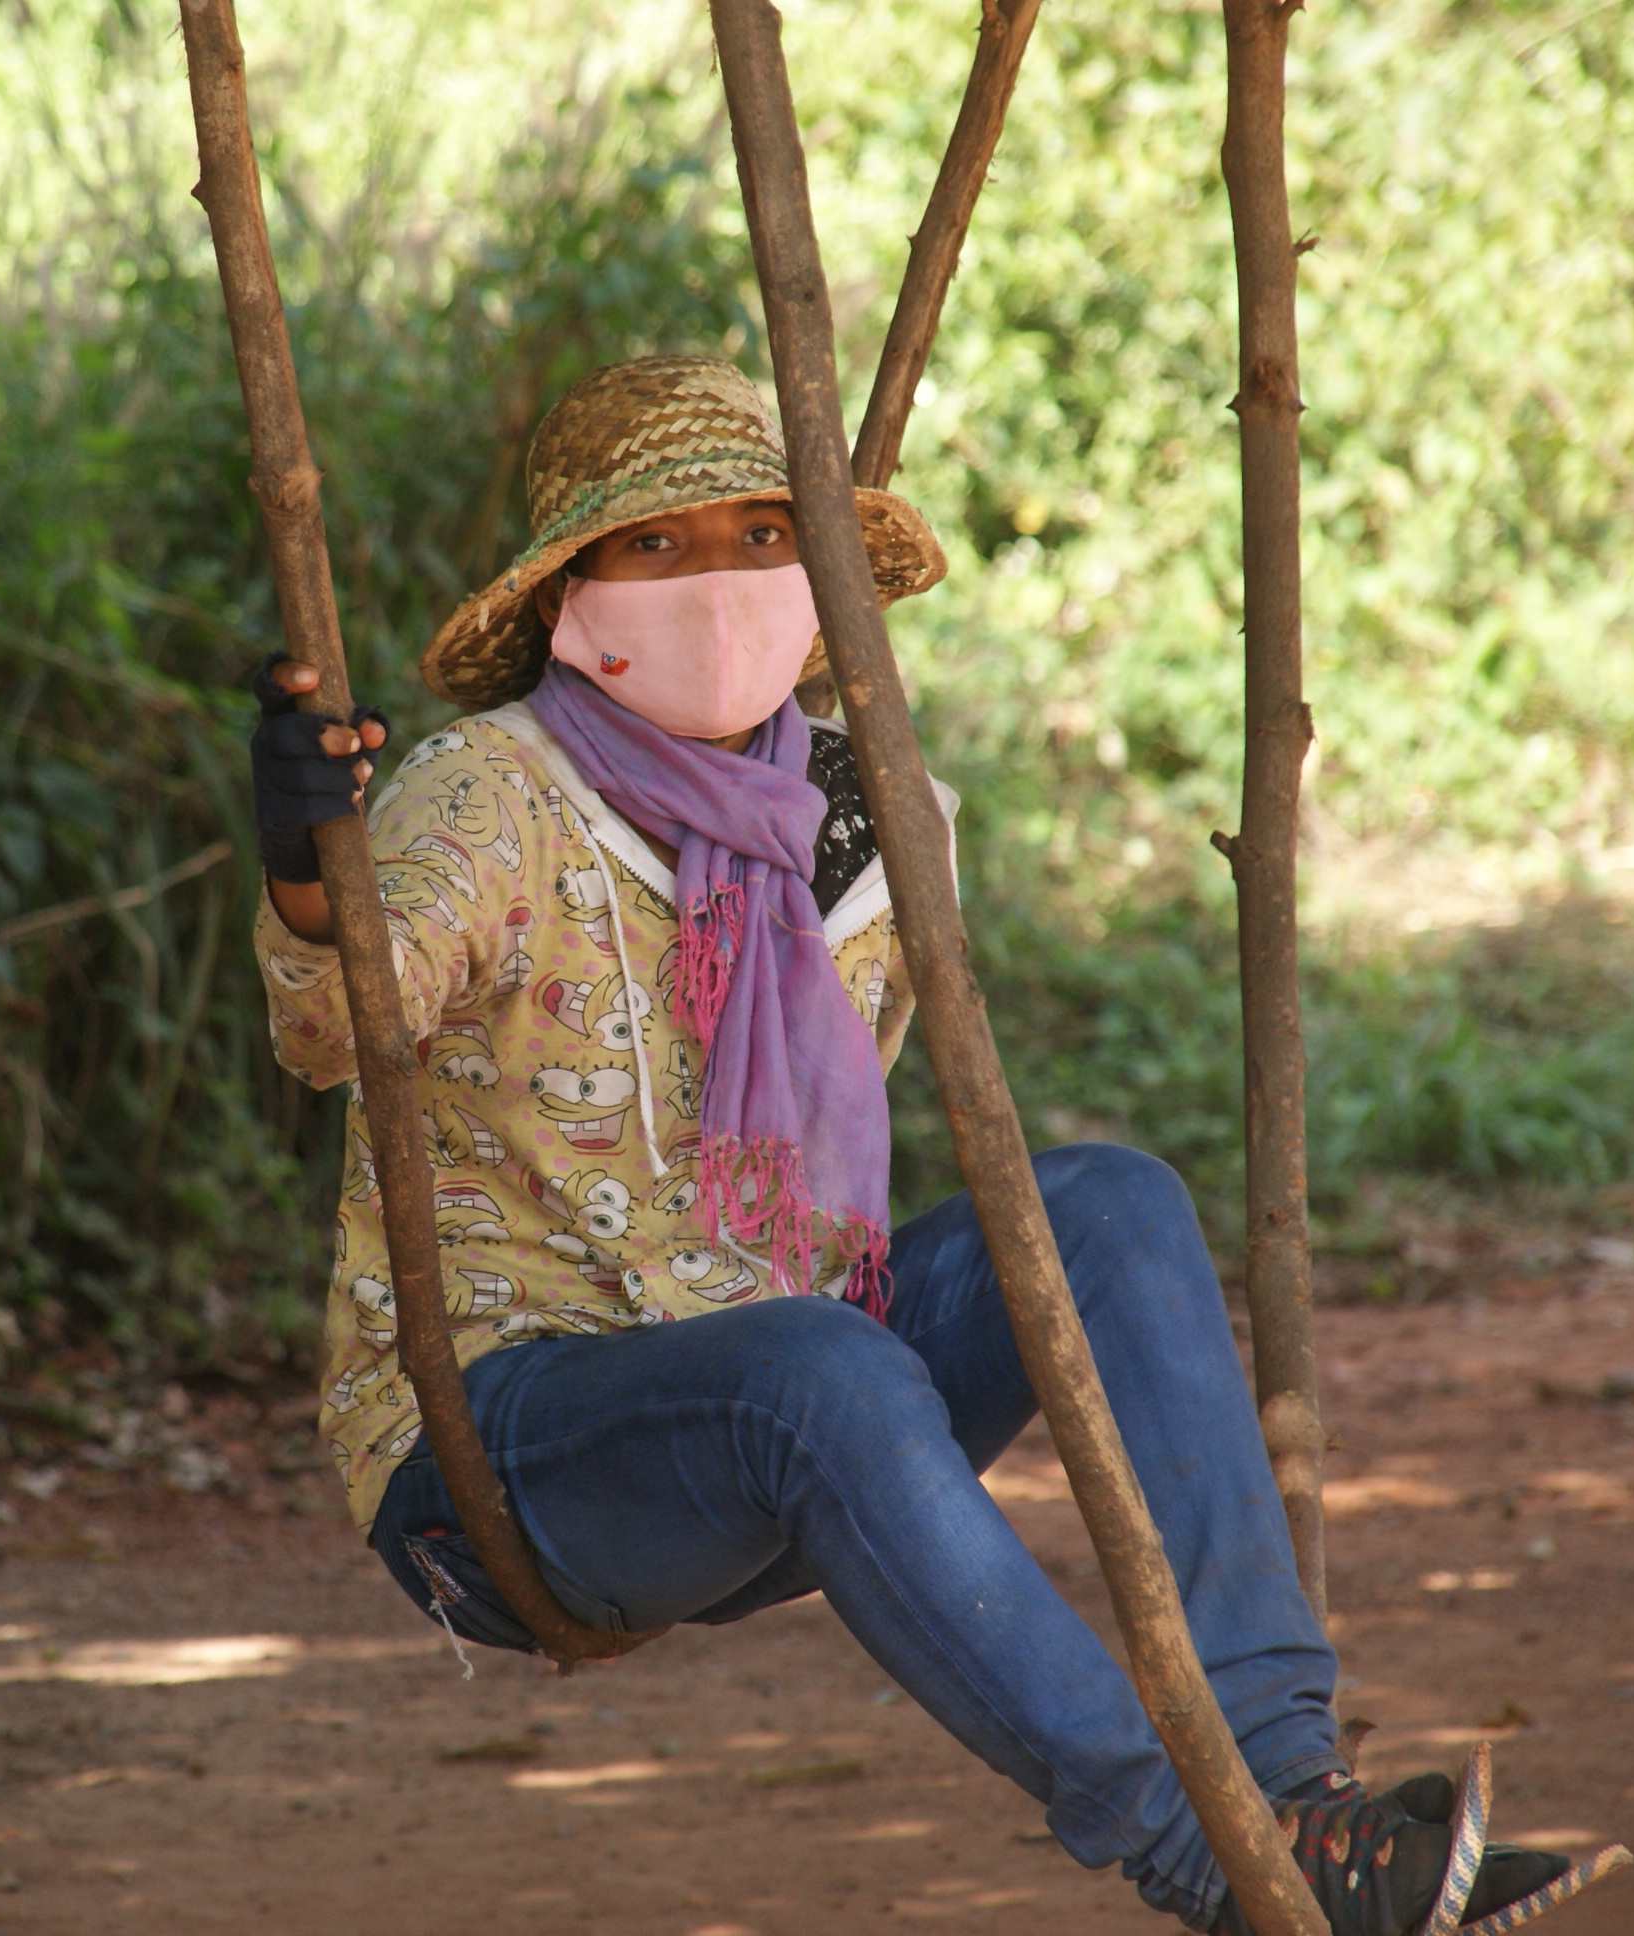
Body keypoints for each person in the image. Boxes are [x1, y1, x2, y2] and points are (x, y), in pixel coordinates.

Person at [245, 355, 1566, 1936]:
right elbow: (341, 1025)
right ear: (571, 599)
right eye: (656, 546)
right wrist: (308, 870)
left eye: (759, 537)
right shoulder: (489, 792)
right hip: (522, 1458)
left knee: (1114, 1208)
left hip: (797, 1418)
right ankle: (1214, 1862)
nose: (718, 582)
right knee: (822, 1366)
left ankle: (1294, 1788)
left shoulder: (878, 812)